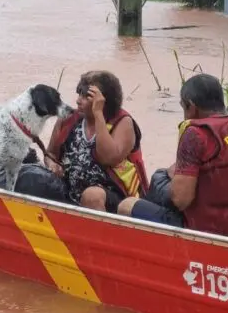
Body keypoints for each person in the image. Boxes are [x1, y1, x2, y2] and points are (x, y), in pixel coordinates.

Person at [118, 73, 228, 242]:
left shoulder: (196, 133)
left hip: (204, 230)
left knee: (127, 205)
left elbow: (181, 200)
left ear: (191, 107)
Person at [44, 70, 149, 213]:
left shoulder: (122, 123)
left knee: (92, 196)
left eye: (86, 96)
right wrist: (52, 165)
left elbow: (108, 158)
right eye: (78, 93)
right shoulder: (68, 120)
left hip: (114, 198)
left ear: (103, 101)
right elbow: (51, 153)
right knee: (33, 178)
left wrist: (98, 114)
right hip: (70, 190)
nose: (78, 100)